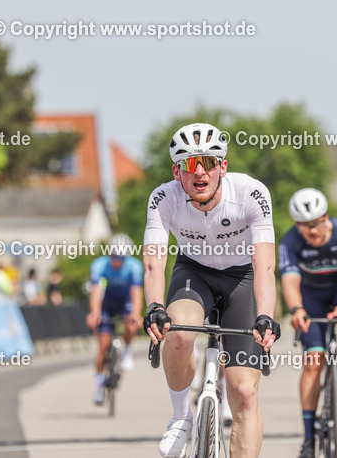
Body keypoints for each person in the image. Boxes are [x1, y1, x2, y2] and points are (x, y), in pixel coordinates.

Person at [142, 122, 279, 458]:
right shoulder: (164, 198)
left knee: (244, 392)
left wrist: (265, 315)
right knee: (177, 334)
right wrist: (156, 306)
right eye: (190, 164)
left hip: (242, 277)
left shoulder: (251, 193)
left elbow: (265, 265)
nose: (200, 171)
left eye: (209, 161)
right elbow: (153, 263)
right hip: (195, 273)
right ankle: (181, 416)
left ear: (223, 167)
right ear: (177, 172)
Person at [280, 187, 337, 458]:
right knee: (313, 362)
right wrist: (296, 309)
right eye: (302, 225)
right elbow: (290, 280)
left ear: (325, 217)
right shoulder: (290, 242)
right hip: (312, 295)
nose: (310, 230)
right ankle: (309, 439)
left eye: (315, 223)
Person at [87, 234, 145, 405]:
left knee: (131, 325)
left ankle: (127, 350)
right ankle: (98, 387)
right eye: (114, 257)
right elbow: (96, 291)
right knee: (103, 345)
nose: (117, 261)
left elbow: (136, 292)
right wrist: (94, 313)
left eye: (121, 258)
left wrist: (136, 313)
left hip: (124, 302)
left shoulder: (134, 266)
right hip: (106, 304)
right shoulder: (99, 265)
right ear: (110, 254)